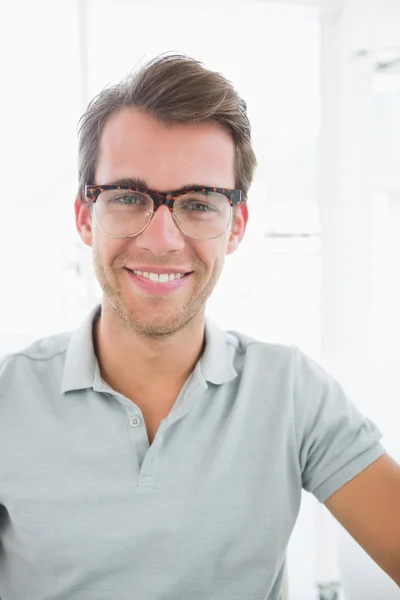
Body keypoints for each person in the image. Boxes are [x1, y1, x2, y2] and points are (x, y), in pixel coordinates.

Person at [0, 54, 399, 600]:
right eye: (127, 197)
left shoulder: (291, 392)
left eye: (198, 203)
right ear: (83, 215)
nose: (161, 239)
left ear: (236, 225)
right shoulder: (7, 399)